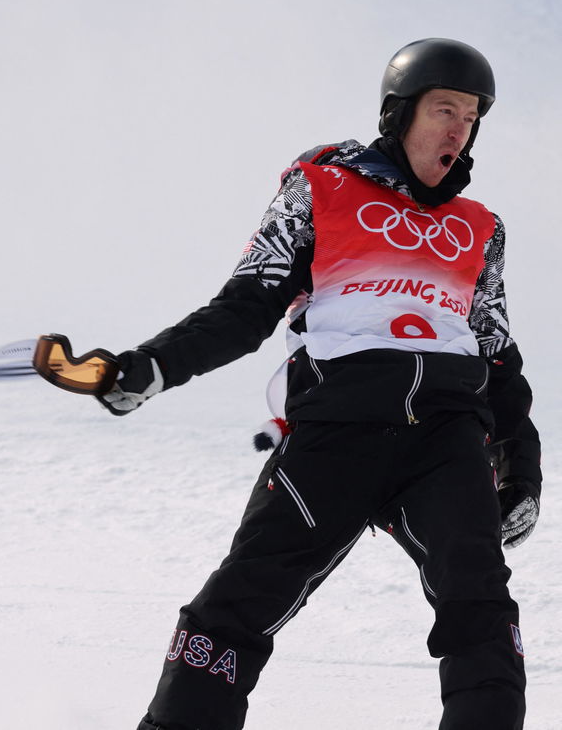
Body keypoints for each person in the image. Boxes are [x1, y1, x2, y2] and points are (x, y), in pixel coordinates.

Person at [100, 38, 541, 730]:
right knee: (239, 605)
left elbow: (496, 353)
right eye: (443, 109)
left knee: (479, 605)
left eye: (472, 116)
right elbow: (246, 305)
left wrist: (522, 464)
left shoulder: (480, 228)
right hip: (338, 430)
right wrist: (153, 365)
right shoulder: (321, 187)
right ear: (399, 114)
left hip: (448, 440)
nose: (459, 129)